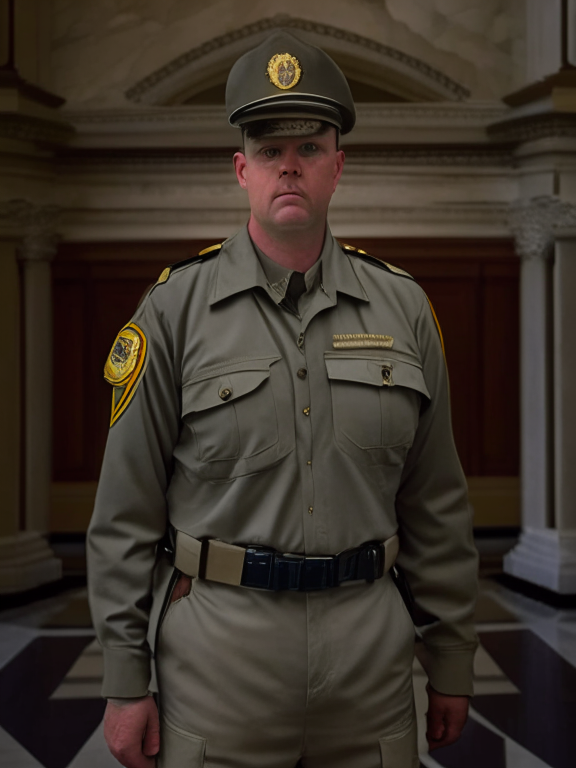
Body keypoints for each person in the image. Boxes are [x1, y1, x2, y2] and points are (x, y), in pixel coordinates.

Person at [88, 29, 478, 768]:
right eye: (270, 150)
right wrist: (122, 677)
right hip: (219, 661)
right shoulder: (172, 312)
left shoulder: (405, 309)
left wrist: (452, 657)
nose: (289, 166)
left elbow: (437, 503)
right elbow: (124, 514)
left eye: (309, 147)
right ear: (242, 169)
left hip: (370, 657)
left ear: (339, 165)